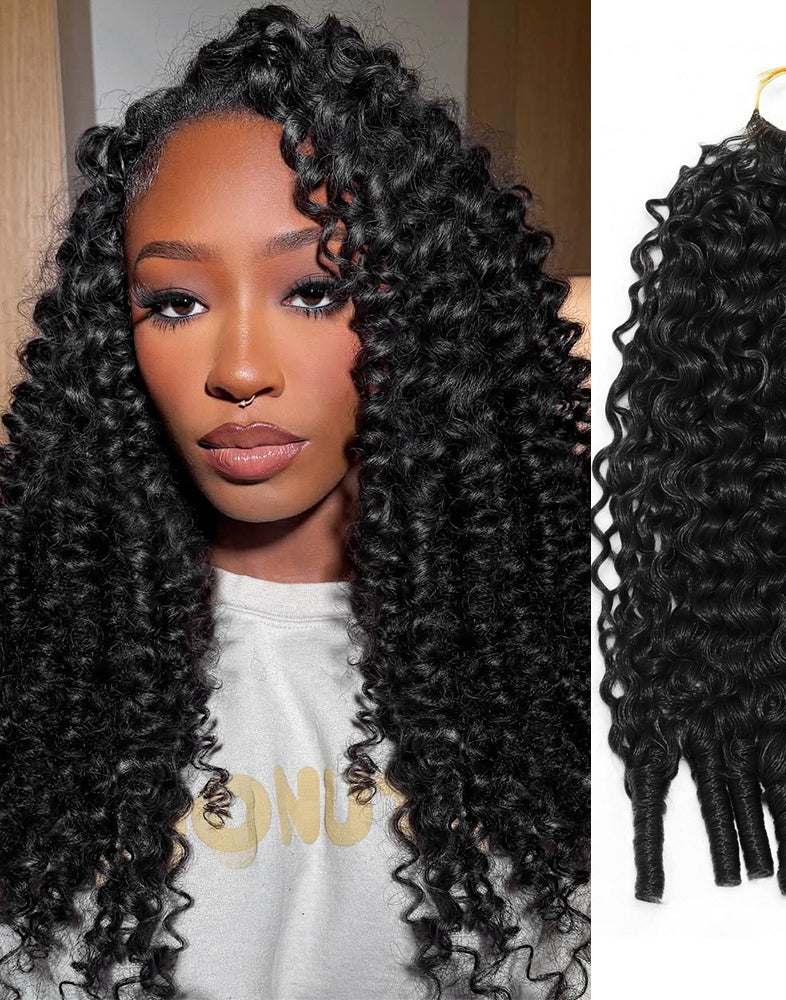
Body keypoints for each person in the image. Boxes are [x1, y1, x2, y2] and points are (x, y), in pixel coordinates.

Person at [0, 6, 590, 999]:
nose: (238, 370)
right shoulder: (44, 653)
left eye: (315, 291)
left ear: (427, 310)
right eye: (176, 302)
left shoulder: (550, 643)